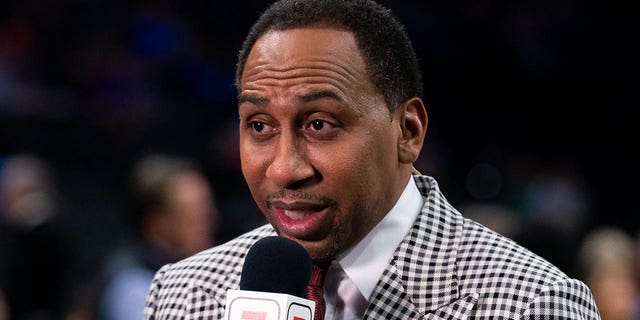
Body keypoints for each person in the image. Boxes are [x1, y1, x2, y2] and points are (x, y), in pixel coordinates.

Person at [144, 0, 600, 319]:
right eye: (259, 126)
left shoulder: (531, 304)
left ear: (408, 132)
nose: (284, 168)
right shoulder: (184, 294)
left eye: (319, 123)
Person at [95, 154, 219, 320]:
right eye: (194, 215)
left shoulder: (206, 268)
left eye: (206, 211)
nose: (212, 221)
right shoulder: (132, 286)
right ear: (157, 223)